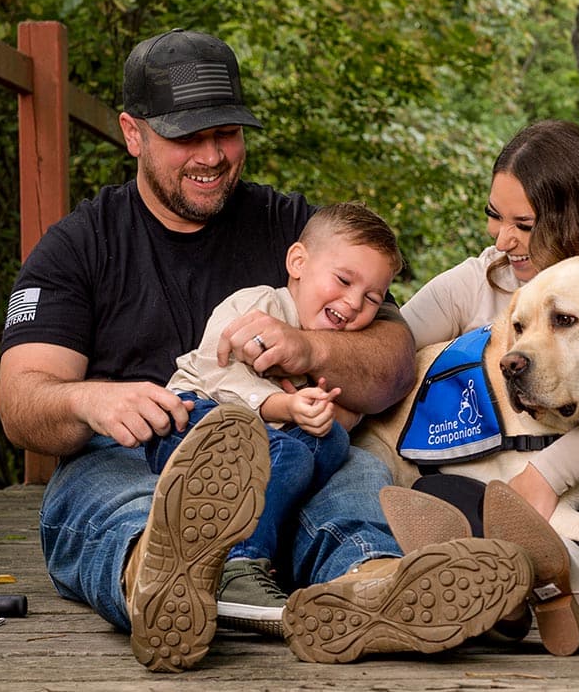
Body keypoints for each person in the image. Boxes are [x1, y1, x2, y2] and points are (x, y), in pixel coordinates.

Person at [0, 28, 533, 673]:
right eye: (187, 136)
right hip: (134, 456)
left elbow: (392, 356)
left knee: (356, 472)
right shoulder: (75, 248)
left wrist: (306, 347)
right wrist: (89, 400)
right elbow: (21, 399)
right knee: (115, 499)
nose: (213, 155)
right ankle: (161, 574)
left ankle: (376, 586)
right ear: (133, 133)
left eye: (225, 131)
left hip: (295, 453)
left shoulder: (293, 226)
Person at [385, 119, 579, 653]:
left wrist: (547, 475)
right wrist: (302, 332)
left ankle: (553, 593)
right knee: (445, 493)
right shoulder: (480, 279)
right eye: (493, 216)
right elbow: (385, 348)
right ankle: (508, 595)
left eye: (523, 224)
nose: (504, 241)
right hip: (500, 487)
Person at [152, 202, 405, 634]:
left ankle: (336, 568)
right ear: (298, 262)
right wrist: (286, 407)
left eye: (372, 298)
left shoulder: (343, 346)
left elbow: (353, 409)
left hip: (272, 452)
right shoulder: (259, 306)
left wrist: (328, 415)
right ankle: (236, 563)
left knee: (328, 447)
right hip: (193, 423)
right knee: (281, 448)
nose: (352, 302)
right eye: (343, 280)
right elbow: (219, 371)